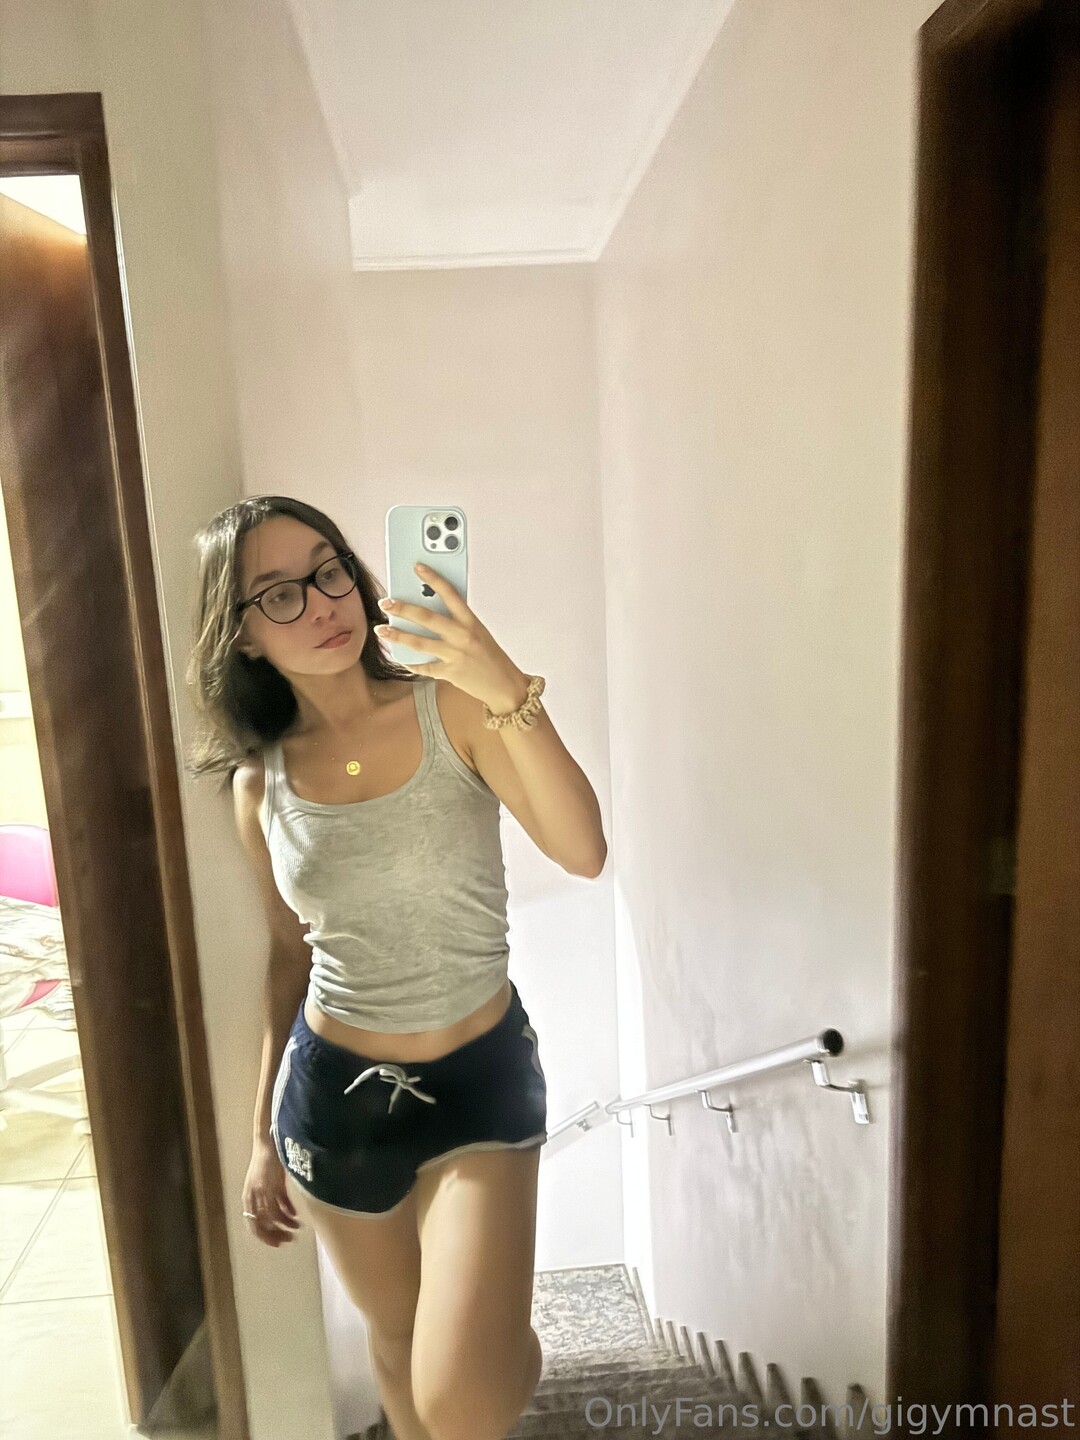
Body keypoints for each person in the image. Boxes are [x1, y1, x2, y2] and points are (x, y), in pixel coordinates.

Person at [185, 494, 607, 1440]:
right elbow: (289, 955)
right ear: (242, 634)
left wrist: (501, 679)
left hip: (481, 1079)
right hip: (334, 1102)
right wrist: (261, 1136)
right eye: (279, 593)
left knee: (459, 1395)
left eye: (328, 570)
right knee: (397, 1342)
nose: (321, 602)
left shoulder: (453, 706)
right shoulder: (259, 785)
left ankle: (501, 1350)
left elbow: (583, 851)